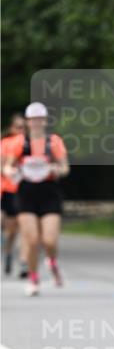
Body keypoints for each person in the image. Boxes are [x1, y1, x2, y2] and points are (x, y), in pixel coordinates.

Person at [1, 101, 70, 296]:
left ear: (45, 121)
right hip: (26, 192)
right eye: (33, 119)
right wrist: (10, 171)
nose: (36, 123)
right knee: (31, 240)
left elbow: (65, 167)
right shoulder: (19, 143)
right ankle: (33, 277)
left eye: (40, 119)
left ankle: (52, 262)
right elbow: (7, 166)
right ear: (28, 121)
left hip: (49, 192)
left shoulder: (53, 142)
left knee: (49, 240)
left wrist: (57, 169)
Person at [1, 113, 25, 275]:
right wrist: (11, 170)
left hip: (26, 191)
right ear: (12, 128)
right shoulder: (5, 143)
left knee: (25, 228)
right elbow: (2, 166)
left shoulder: (32, 144)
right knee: (11, 231)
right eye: (18, 127)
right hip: (9, 190)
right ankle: (8, 252)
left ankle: (24, 262)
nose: (21, 130)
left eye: (23, 127)